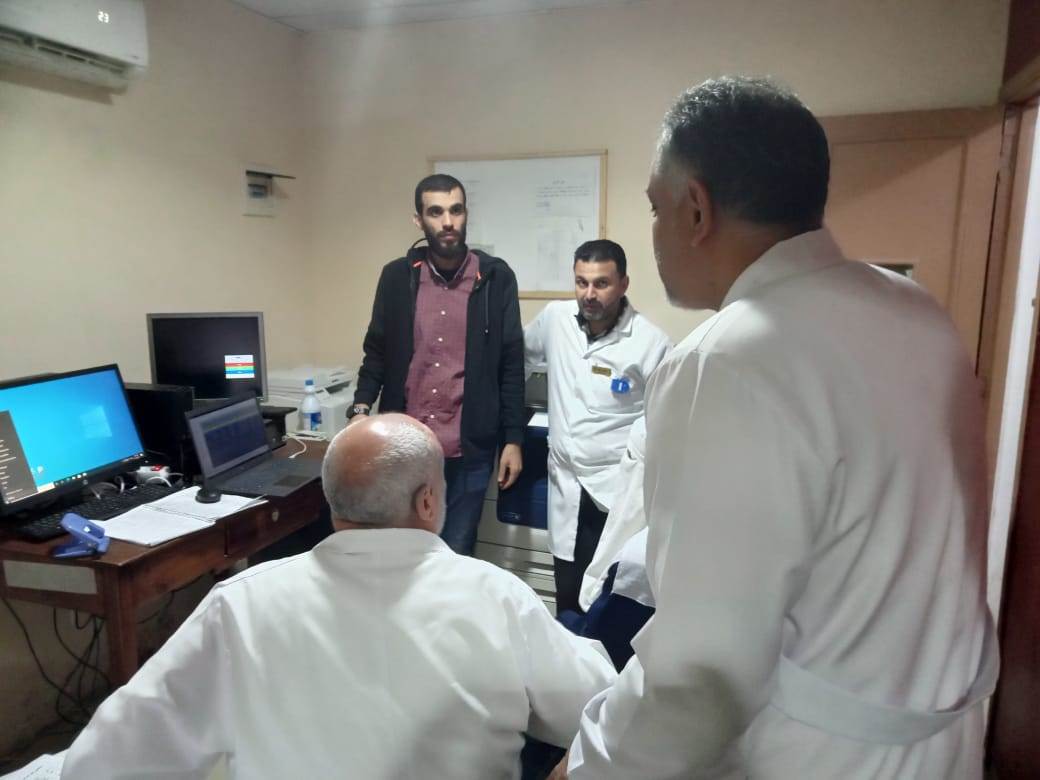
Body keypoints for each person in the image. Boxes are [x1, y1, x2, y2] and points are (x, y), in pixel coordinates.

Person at [559, 77, 998, 779]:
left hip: (818, 755)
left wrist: (591, 762)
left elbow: (701, 673)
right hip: (944, 737)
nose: (656, 230)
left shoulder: (727, 360)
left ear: (696, 209)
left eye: (655, 207)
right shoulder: (913, 307)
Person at [61, 415, 616, 780]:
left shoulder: (240, 605)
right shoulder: (496, 597)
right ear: (427, 502)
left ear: (333, 503)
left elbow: (107, 760)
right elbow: (601, 708)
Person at [350, 174, 525, 556]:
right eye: (436, 212)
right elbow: (377, 350)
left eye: (456, 210)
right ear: (419, 220)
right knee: (400, 553)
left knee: (454, 555)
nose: (448, 221)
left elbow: (511, 363)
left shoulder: (496, 278)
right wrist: (361, 407)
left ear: (466, 214)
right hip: (404, 447)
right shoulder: (397, 277)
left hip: (469, 449)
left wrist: (513, 439)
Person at [524, 240, 670, 614]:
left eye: (601, 283)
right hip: (566, 485)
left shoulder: (651, 343)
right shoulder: (555, 319)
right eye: (581, 282)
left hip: (615, 491)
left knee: (607, 601)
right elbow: (517, 358)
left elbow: (665, 421)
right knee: (567, 595)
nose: (589, 294)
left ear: (623, 284)